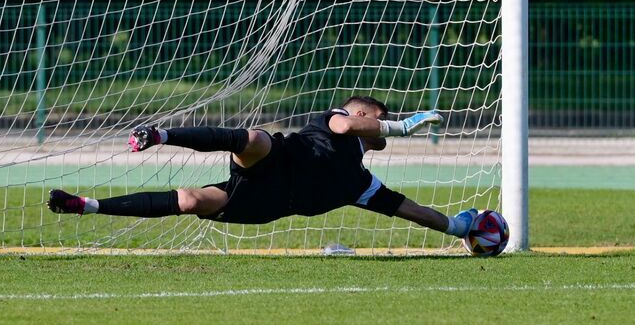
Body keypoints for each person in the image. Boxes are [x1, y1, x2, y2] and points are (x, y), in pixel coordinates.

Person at [48, 96, 479, 241]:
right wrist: (400, 126)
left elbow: (408, 209)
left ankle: (86, 205)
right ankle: (160, 135)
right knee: (253, 138)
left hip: (265, 203)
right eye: (377, 114)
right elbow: (349, 124)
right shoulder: (332, 120)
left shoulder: (360, 183)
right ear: (363, 111)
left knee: (191, 200)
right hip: (276, 163)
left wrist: (458, 228)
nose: (379, 123)